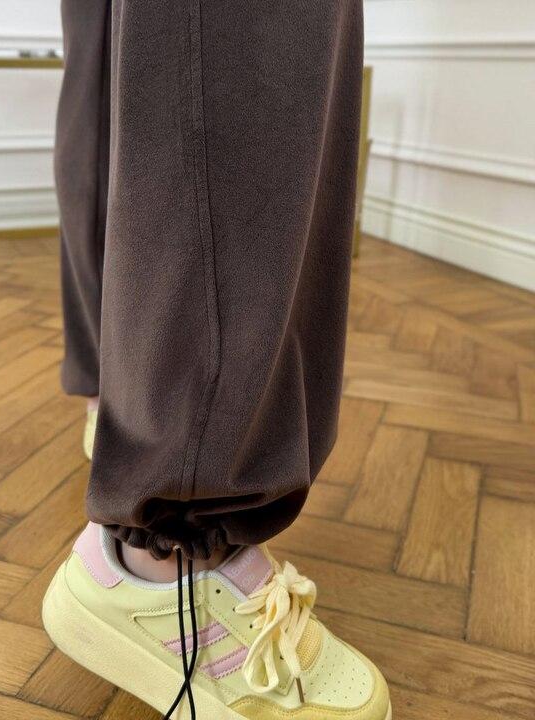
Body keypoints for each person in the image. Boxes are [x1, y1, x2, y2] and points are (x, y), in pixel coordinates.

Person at [44, 1, 391, 719]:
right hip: (176, 524)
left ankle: (120, 400)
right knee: (246, 28)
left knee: (112, 42)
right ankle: (170, 556)